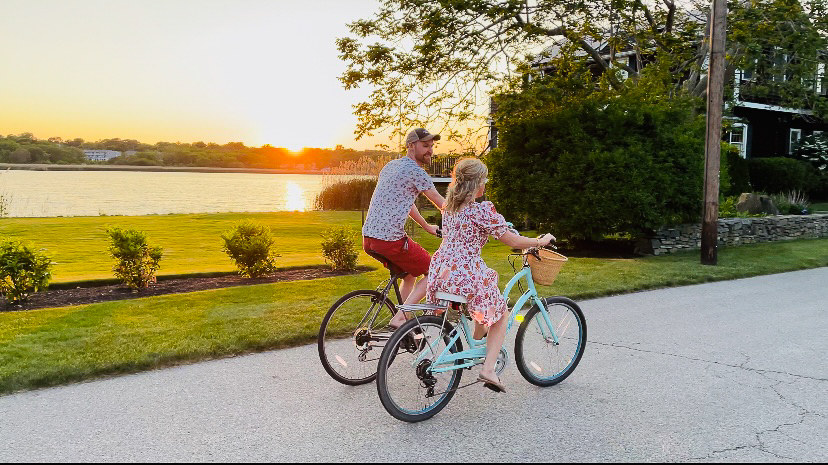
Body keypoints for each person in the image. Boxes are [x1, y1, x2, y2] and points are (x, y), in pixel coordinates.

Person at [426, 158, 554, 393]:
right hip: (466, 272)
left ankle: (477, 341)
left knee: (482, 305)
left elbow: (497, 229)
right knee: (501, 314)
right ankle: (488, 369)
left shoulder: (449, 207)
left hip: (443, 270)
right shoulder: (481, 210)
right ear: (476, 183)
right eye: (484, 180)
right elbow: (512, 241)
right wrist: (540, 240)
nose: (486, 184)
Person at [362, 128, 446, 329]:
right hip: (390, 240)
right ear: (410, 145)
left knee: (410, 274)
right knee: (434, 271)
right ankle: (400, 318)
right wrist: (467, 219)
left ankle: (404, 324)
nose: (430, 151)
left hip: (369, 239)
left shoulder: (391, 166)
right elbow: (440, 201)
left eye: (432, 147)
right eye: (425, 146)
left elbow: (405, 201)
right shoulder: (417, 172)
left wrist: (426, 226)